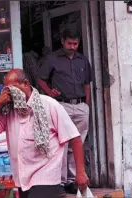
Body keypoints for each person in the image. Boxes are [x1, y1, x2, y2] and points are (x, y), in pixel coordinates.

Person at [0, 69, 89, 198]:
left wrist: (80, 172)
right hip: (23, 179)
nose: (10, 93)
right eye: (6, 90)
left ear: (26, 84)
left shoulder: (49, 105)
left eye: (13, 88)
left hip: (46, 176)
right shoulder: (9, 109)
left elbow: (74, 137)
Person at [37, 27, 92, 194]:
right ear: (62, 41)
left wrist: (86, 105)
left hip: (81, 105)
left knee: (78, 143)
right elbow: (40, 79)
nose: (73, 46)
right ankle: (59, 181)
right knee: (61, 144)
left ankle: (72, 180)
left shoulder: (82, 60)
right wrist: (48, 91)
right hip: (62, 105)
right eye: (70, 43)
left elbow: (87, 85)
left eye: (76, 43)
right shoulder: (52, 59)